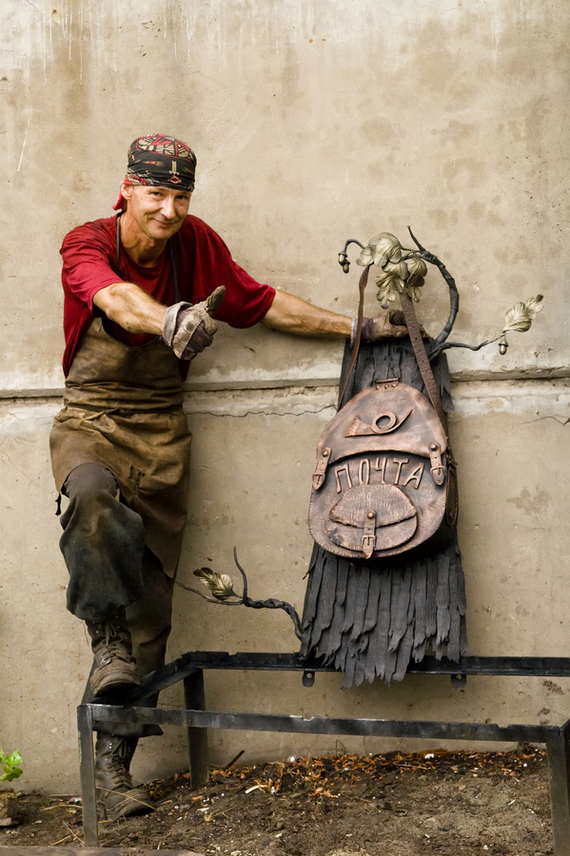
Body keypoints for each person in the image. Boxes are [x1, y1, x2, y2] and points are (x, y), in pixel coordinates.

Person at [49, 133, 407, 820]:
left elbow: (264, 303)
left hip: (162, 435)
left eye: (181, 195)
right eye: (157, 193)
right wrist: (169, 320)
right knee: (92, 505)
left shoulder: (198, 243)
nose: (170, 210)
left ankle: (114, 774)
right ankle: (106, 642)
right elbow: (115, 300)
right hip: (90, 420)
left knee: (153, 610)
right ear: (128, 187)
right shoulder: (86, 242)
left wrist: (355, 328)